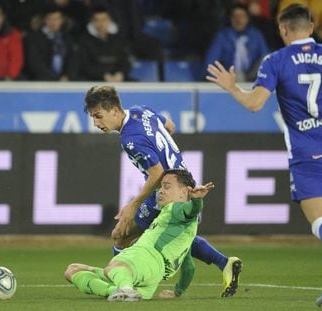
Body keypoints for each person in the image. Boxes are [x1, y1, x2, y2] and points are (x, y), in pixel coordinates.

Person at [206, 4, 322, 309]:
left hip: (307, 152)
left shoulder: (276, 60)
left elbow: (256, 104)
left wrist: (232, 87)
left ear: (283, 30)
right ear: (310, 27)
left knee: (320, 222)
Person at [83, 85, 242, 298]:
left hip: (166, 189)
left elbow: (156, 173)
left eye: (99, 116)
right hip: (181, 183)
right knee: (176, 234)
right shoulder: (142, 111)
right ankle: (225, 263)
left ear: (114, 110)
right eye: (93, 117)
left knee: (121, 235)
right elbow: (170, 126)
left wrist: (134, 204)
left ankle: (121, 281)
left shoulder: (130, 139)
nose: (96, 123)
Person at [64, 169, 213, 301]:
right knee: (73, 270)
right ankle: (118, 291)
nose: (161, 191)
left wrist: (196, 200)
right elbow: (189, 268)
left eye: (167, 186)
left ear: (184, 192)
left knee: (113, 268)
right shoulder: (177, 230)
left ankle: (126, 289)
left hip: (147, 259)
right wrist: (178, 292)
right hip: (148, 275)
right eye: (160, 186)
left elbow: (192, 210)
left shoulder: (177, 208)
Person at [204, 3, 269, 82]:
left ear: (248, 19)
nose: (238, 20)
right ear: (230, 19)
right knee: (238, 76)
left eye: (242, 16)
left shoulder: (256, 35)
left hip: (253, 78)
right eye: (235, 17)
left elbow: (266, 58)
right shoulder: (222, 36)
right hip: (229, 78)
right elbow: (210, 62)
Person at [78, 6, 130, 82]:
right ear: (92, 21)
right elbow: (85, 65)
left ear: (109, 20)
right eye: (97, 20)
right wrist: (103, 75)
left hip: (118, 80)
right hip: (93, 81)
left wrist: (120, 73)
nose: (101, 23)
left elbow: (126, 61)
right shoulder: (84, 40)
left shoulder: (119, 39)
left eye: (104, 20)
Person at [24, 6, 78, 81]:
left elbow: (73, 60)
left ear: (62, 20)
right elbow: (35, 63)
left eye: (57, 19)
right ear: (44, 20)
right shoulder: (34, 38)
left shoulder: (67, 38)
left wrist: (67, 76)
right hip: (41, 81)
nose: (53, 22)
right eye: (50, 19)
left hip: (64, 81)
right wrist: (54, 79)